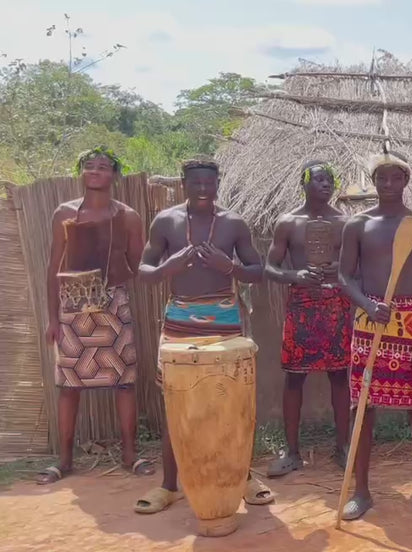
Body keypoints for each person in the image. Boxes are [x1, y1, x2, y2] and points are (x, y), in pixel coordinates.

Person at [133, 158, 274, 515]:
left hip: (224, 316)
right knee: (175, 401)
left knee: (232, 399)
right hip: (180, 317)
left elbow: (258, 271)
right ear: (183, 183)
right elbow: (144, 271)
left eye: (208, 183)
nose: (202, 189)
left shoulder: (233, 223)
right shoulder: (166, 221)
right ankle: (169, 485)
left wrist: (230, 267)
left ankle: (243, 478)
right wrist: (168, 267)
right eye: (195, 182)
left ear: (217, 184)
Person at [338, 150, 412, 523]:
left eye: (395, 177)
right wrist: (367, 304)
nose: (388, 184)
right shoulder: (357, 225)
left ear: (406, 180)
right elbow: (344, 276)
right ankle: (361, 491)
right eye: (381, 177)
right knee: (362, 408)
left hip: (410, 323)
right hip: (369, 324)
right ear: (373, 181)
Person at [39, 147, 153, 484]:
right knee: (69, 386)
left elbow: (139, 265)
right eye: (89, 166)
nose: (95, 171)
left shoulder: (128, 217)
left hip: (114, 306)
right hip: (72, 307)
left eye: (103, 166)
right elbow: (53, 268)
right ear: (81, 172)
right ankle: (65, 460)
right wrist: (52, 318)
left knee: (124, 382)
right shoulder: (64, 213)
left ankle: (130, 454)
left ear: (114, 174)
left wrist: (115, 275)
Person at [264, 162, 352, 476]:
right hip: (301, 304)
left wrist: (340, 271)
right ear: (304, 183)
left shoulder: (344, 223)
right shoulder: (288, 223)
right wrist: (295, 275)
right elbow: (270, 267)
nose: (326, 184)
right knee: (294, 377)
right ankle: (292, 453)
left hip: (336, 305)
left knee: (340, 376)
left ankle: (343, 448)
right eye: (319, 179)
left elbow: (358, 266)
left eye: (330, 179)